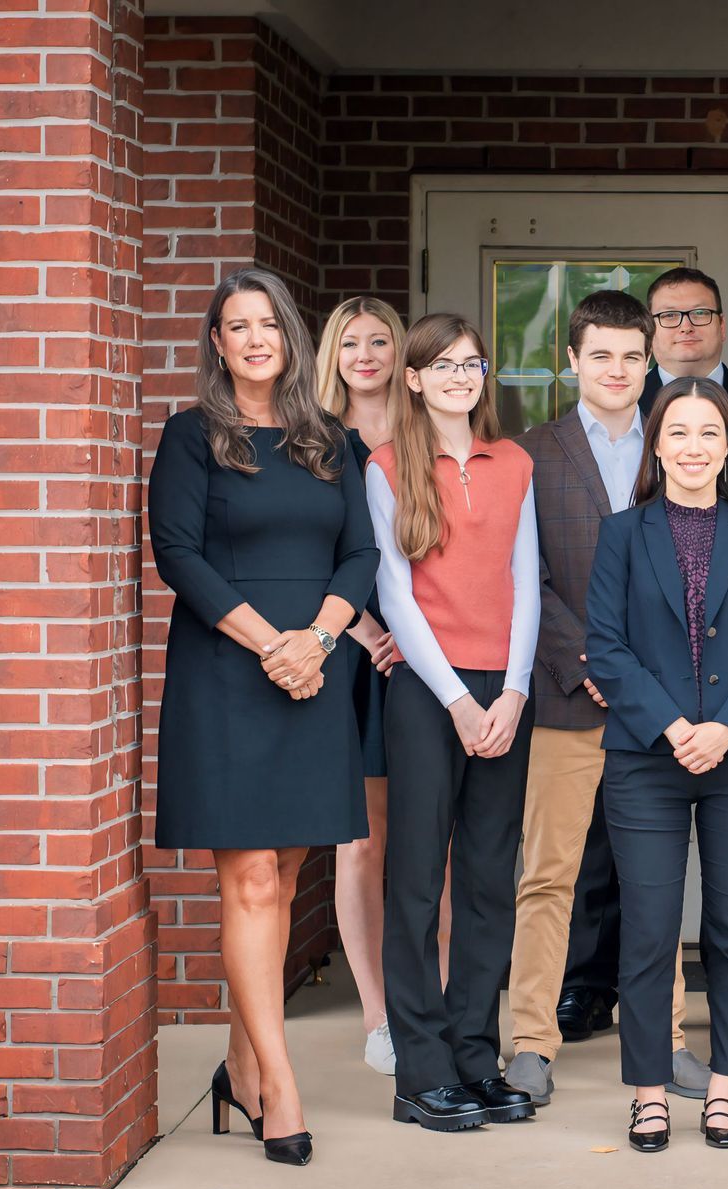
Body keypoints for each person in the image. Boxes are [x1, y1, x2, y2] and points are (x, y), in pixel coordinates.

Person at [150, 267, 378, 1167]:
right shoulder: (192, 438)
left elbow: (359, 553)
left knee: (283, 876)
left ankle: (240, 1067)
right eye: (235, 327)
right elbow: (178, 554)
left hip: (312, 671)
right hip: (227, 674)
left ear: (290, 339)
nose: (253, 340)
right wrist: (269, 647)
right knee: (246, 879)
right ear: (217, 343)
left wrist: (314, 644)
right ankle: (278, 1088)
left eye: (267, 325)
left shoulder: (331, 441)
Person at [584, 377, 728, 1152]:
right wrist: (676, 725)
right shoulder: (621, 534)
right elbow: (605, 647)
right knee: (647, 930)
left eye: (710, 433)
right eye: (678, 433)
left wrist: (727, 728)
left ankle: (724, 1089)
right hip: (648, 756)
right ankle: (648, 1093)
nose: (694, 448)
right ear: (657, 445)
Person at [368, 313, 540, 1132]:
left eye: (472, 364)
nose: (460, 378)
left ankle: (476, 1058)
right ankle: (422, 1071)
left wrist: (510, 692)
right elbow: (396, 597)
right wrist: (460, 701)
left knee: (486, 882)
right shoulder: (387, 465)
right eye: (442, 366)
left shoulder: (514, 463)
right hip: (430, 695)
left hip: (504, 693)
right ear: (413, 378)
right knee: (415, 883)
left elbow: (528, 582)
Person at [500, 290, 661, 1109]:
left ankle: (662, 1042)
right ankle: (531, 1041)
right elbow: (526, 576)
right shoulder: (531, 452)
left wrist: (646, 671)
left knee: (654, 877)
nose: (618, 370)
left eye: (633, 355)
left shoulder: (677, 442)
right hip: (569, 699)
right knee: (549, 874)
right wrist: (587, 660)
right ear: (572, 360)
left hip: (658, 701)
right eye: (601, 354)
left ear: (649, 359)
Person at [314, 295, 408, 1077]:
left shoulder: (424, 430)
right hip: (352, 652)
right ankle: (378, 1015)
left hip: (426, 652)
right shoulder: (313, 439)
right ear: (332, 355)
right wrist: (358, 628)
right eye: (352, 343)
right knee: (362, 843)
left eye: (381, 341)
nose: (368, 354)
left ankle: (432, 1001)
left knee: (432, 842)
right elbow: (304, 550)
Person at [637, 266, 728, 418]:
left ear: (722, 326)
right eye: (669, 315)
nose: (686, 327)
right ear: (650, 329)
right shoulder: (627, 402)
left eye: (700, 313)